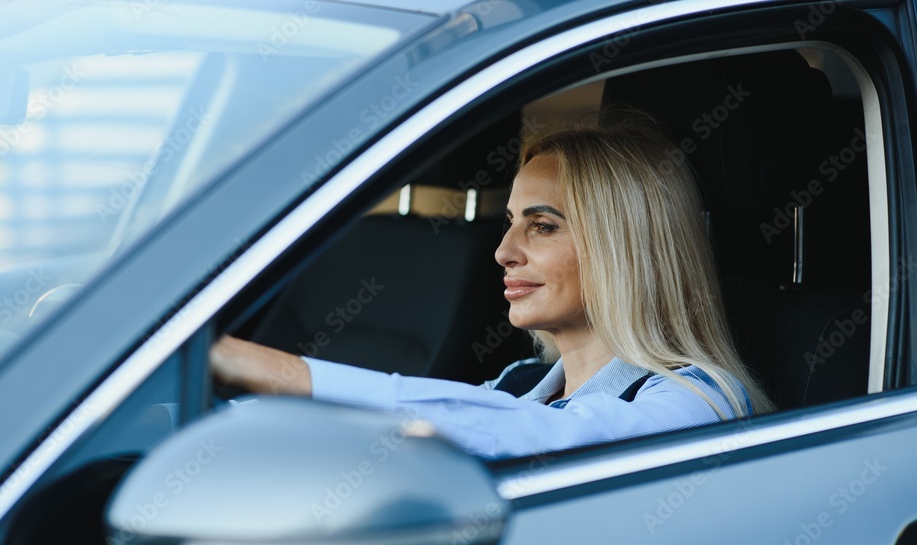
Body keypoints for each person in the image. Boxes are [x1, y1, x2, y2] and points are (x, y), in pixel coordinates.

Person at [210, 117, 773, 459]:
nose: (504, 252)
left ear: (625, 247)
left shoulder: (700, 400)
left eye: (543, 225)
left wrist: (283, 374)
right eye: (510, 221)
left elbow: (547, 441)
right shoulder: (521, 383)